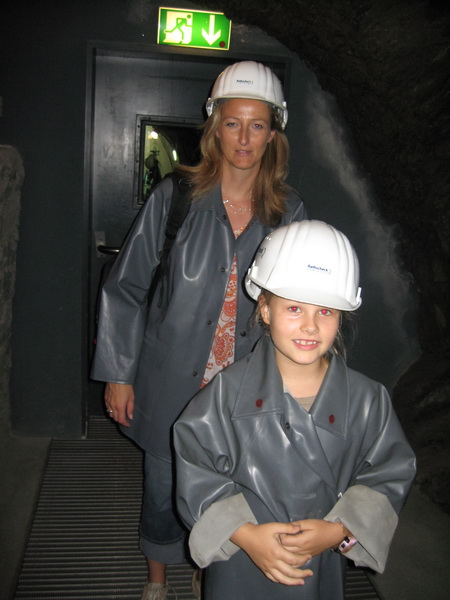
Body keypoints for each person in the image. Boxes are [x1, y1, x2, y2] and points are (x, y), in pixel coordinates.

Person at [91, 61, 307, 600]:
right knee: (164, 488)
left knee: (234, 492)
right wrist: (119, 374)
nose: (244, 138)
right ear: (215, 128)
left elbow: (299, 306)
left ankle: (211, 570)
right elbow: (125, 288)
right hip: (170, 383)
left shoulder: (288, 213)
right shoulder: (176, 198)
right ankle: (157, 577)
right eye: (233, 123)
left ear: (273, 133)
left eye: (257, 125)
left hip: (245, 391)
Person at [174, 220, 416, 600]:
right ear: (265, 310)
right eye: (294, 307)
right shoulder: (227, 394)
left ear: (342, 316)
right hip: (244, 561)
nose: (310, 326)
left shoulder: (368, 400)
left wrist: (339, 530)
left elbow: (389, 473)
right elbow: (196, 467)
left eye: (326, 311)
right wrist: (245, 534)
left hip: (320, 565)